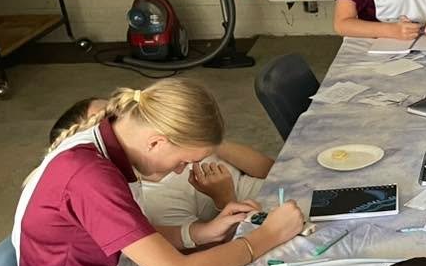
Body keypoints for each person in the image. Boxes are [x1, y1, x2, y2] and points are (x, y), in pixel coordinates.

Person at [14, 79, 304, 266]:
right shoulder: (90, 177)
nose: (181, 171)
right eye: (183, 162)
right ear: (156, 142)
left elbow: (127, 235)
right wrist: (266, 237)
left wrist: (201, 232)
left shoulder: (105, 145)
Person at [47, 97, 272, 229]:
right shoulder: (152, 190)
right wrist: (224, 199)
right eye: (108, 122)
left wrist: (205, 142)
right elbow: (199, 261)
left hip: (272, 200)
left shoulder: (175, 146)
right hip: (256, 222)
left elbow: (270, 169)